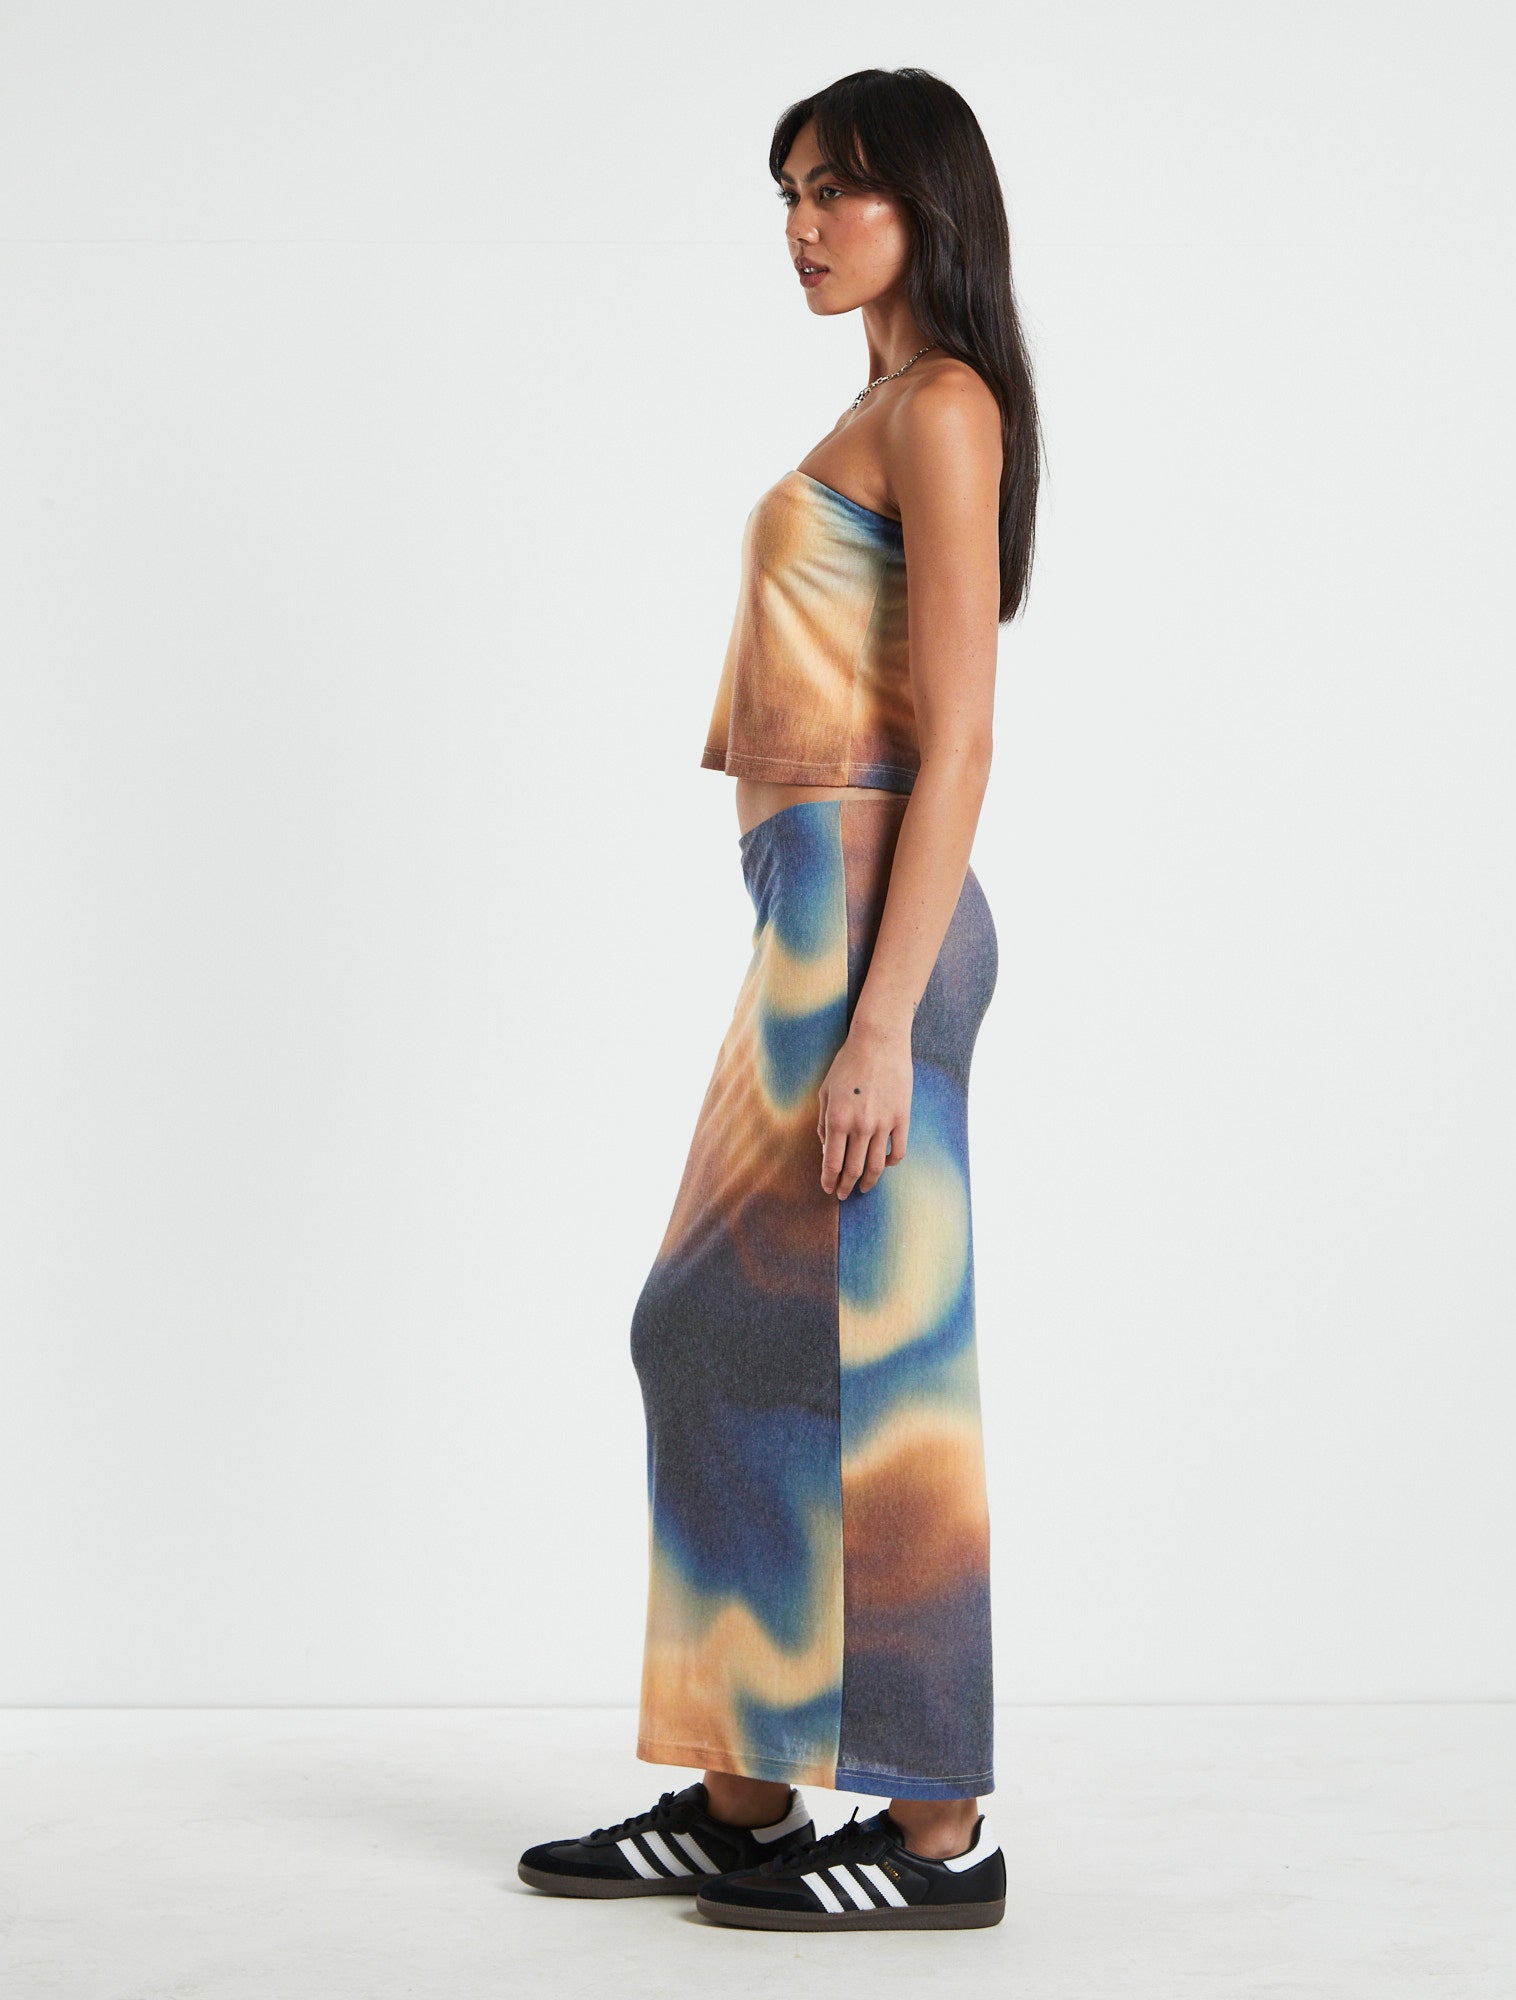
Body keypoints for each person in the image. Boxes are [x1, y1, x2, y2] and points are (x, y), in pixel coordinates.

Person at [518, 65, 1042, 1934]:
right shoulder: (874, 408)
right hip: (808, 921)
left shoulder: (946, 406)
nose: (806, 226)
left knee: (882, 1375)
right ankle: (745, 1796)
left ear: (929, 207)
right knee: (716, 1331)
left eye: (841, 192)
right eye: (792, 193)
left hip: (872, 930)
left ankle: (936, 1833)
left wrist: (884, 1019)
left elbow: (963, 739)